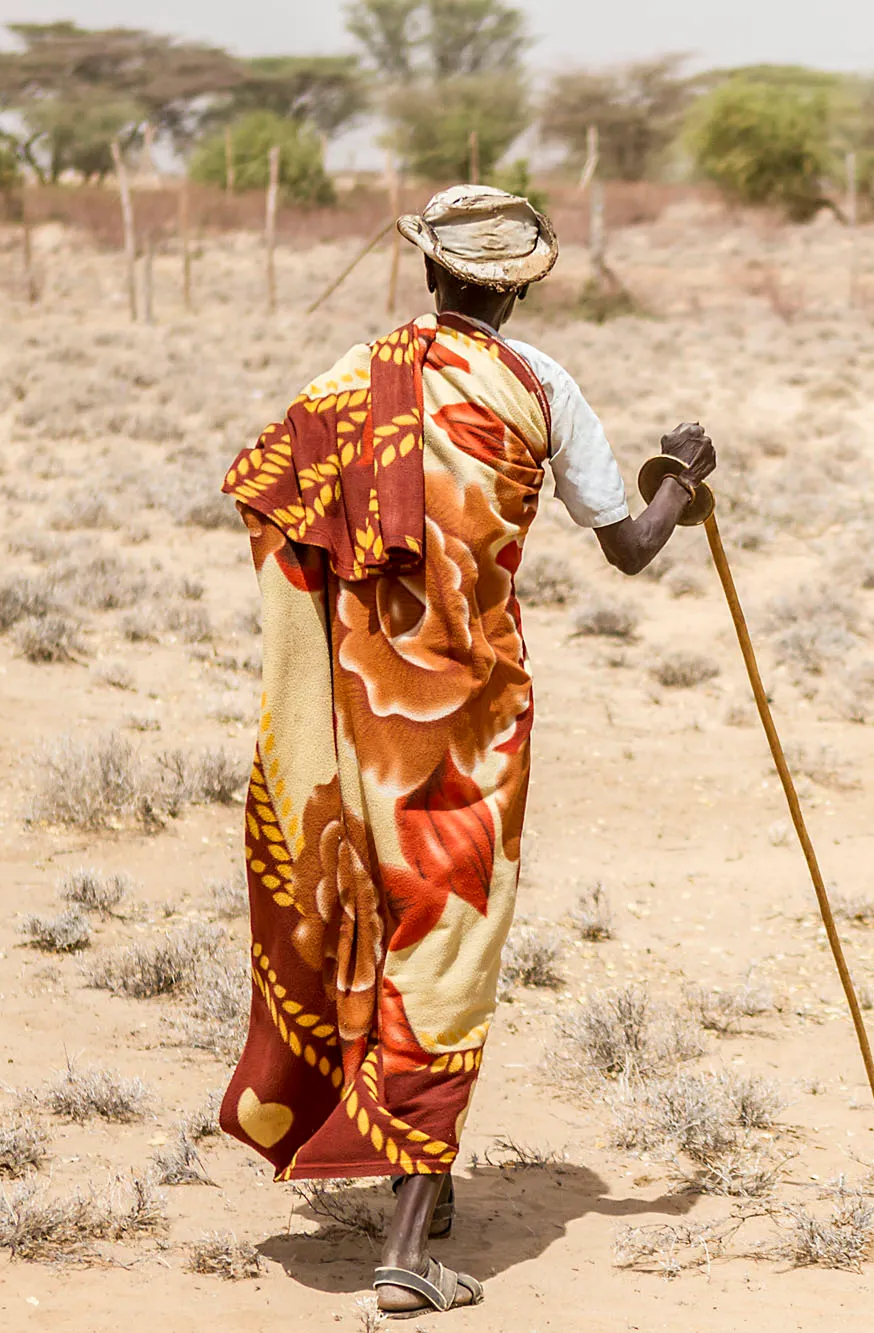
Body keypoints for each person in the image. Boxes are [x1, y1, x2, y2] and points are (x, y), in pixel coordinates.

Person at [215, 184, 715, 1317]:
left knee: (375, 920)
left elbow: (266, 489)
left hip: (355, 720)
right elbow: (629, 549)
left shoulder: (353, 378)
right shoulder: (541, 386)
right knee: (445, 947)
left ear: (428, 271)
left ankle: (411, 1175)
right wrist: (682, 476)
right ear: (523, 281)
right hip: (472, 725)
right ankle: (404, 1247)